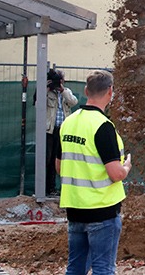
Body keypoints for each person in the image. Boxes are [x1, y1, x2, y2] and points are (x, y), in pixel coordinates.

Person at [56, 70, 131, 275]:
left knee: (76, 268)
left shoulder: (68, 123)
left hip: (75, 208)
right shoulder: (103, 127)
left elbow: (59, 167)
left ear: (86, 90)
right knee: (103, 268)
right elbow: (115, 174)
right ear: (110, 92)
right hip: (102, 210)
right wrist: (126, 168)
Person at [44, 68, 79, 196]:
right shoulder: (47, 93)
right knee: (48, 159)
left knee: (61, 160)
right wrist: (46, 89)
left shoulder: (66, 92)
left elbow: (74, 101)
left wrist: (62, 90)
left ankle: (58, 188)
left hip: (63, 130)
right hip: (49, 130)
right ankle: (46, 188)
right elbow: (38, 105)